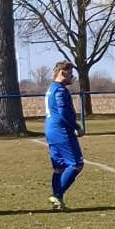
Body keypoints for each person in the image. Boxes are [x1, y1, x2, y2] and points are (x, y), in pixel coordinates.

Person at [42, 61, 84, 211]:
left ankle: (57, 200)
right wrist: (76, 126)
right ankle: (57, 195)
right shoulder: (60, 90)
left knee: (59, 167)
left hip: (50, 130)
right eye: (71, 73)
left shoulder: (51, 88)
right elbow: (63, 113)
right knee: (76, 164)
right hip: (61, 131)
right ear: (63, 72)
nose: (72, 76)